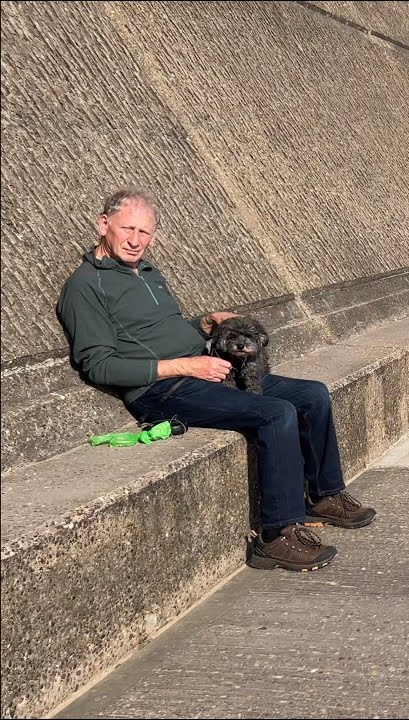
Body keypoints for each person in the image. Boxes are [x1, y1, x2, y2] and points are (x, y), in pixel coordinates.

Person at [57, 189, 375, 572]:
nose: (135, 240)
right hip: (164, 390)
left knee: (312, 395)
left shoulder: (149, 273)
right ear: (103, 225)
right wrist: (186, 367)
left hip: (208, 370)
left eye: (144, 232)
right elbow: (99, 365)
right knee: (277, 414)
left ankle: (323, 496)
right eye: (127, 229)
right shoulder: (85, 286)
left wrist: (204, 324)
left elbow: (162, 332)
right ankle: (275, 536)